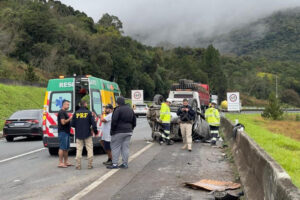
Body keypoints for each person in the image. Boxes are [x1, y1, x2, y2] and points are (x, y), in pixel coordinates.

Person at [107, 97, 136, 169]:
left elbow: (114, 121)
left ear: (118, 103)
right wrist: (131, 128)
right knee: (125, 148)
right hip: (128, 131)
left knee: (115, 147)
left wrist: (112, 131)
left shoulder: (117, 109)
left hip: (118, 131)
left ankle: (114, 164)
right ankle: (125, 164)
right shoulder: (130, 109)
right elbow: (134, 121)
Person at [71, 100, 98, 170]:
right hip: (88, 133)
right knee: (89, 149)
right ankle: (89, 165)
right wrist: (95, 131)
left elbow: (72, 124)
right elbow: (93, 123)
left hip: (78, 134)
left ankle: (78, 165)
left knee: (79, 149)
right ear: (85, 104)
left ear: (80, 105)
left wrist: (78, 127)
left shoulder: (76, 113)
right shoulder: (89, 113)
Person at [57, 100, 73, 168]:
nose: (68, 106)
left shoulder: (65, 112)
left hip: (66, 132)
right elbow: (63, 122)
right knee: (62, 147)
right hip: (63, 132)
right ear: (63, 105)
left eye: (69, 104)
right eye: (67, 104)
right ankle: (60, 162)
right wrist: (70, 118)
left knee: (66, 148)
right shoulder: (61, 112)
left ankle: (66, 162)